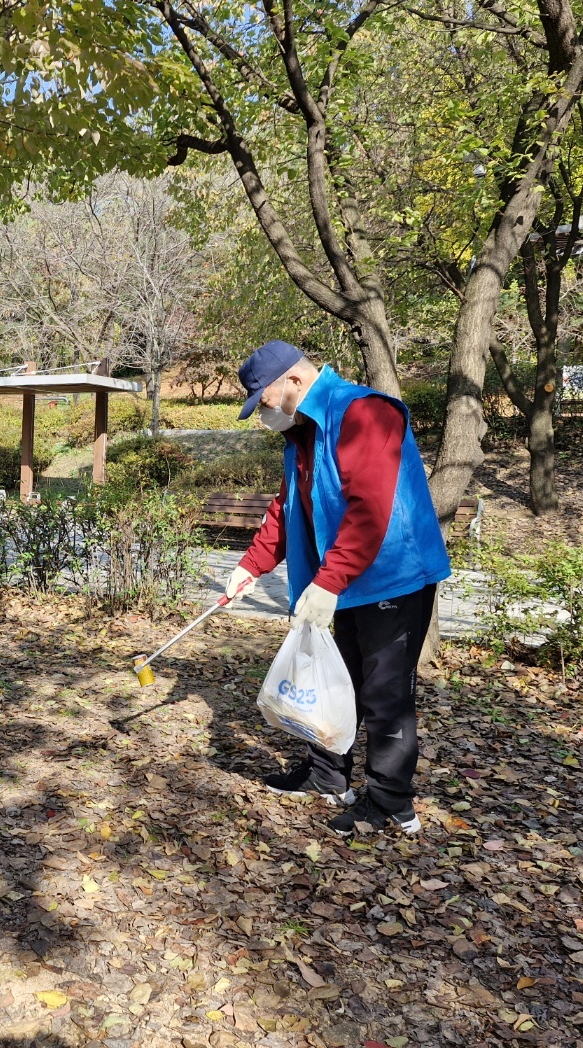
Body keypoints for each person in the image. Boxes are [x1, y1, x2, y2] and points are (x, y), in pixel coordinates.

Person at [224, 340, 451, 836]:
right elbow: (288, 511)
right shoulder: (302, 436)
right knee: (332, 682)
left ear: (295, 383)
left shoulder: (366, 414)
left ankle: (391, 801)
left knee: (383, 695)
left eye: (264, 399)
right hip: (339, 583)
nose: (264, 412)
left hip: (392, 578)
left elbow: (369, 509)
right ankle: (328, 777)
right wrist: (250, 566)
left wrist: (328, 582)